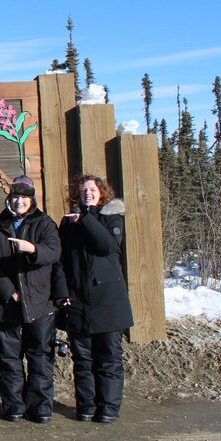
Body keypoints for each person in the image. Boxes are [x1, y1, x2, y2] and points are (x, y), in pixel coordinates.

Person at [0, 175, 62, 424]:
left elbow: (55, 252)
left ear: (32, 199)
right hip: (4, 303)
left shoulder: (45, 224)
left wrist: (33, 249)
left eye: (24, 197)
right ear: (9, 198)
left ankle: (39, 407)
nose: (19, 201)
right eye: (15, 196)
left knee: (39, 357)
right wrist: (8, 290)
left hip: (40, 302)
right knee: (9, 358)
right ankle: (14, 405)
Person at [57, 174, 134, 424]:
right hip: (78, 301)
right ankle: (86, 406)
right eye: (82, 190)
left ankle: (108, 407)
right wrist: (61, 292)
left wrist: (88, 217)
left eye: (92, 189)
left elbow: (106, 246)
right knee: (82, 359)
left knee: (108, 358)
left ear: (102, 193)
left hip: (108, 301)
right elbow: (61, 261)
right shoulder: (69, 223)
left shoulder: (113, 218)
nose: (87, 193)